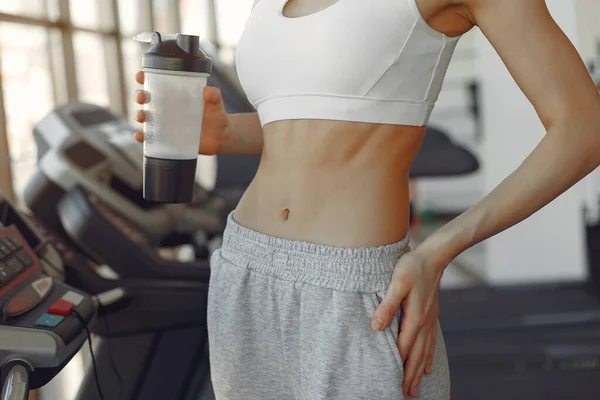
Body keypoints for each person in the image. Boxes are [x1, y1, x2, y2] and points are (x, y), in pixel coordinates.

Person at [133, 0, 600, 398]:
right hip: (245, 270)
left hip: (354, 290)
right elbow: (319, 117)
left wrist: (439, 250)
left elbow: (584, 129)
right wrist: (227, 132)